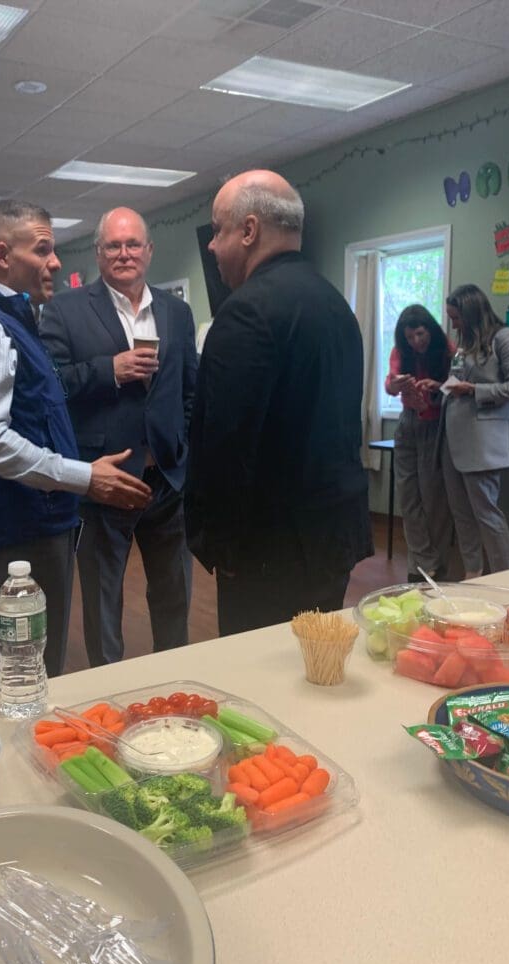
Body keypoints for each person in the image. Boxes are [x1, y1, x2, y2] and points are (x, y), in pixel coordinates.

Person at [0, 199, 151, 679]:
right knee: (28, 672)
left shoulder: (18, 321)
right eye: (43, 250)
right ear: (2, 255)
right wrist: (82, 476)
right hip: (19, 534)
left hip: (40, 526)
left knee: (40, 665)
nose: (55, 262)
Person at [184, 170, 373, 637]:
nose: (211, 246)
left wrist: (221, 550)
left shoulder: (245, 312)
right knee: (316, 666)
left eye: (218, 230)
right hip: (332, 540)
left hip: (268, 551)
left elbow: (225, 445)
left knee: (264, 684)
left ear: (249, 231)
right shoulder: (336, 305)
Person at [42, 207, 197, 666]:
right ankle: (107, 692)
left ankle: (174, 682)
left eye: (133, 245)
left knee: (175, 597)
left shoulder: (176, 312)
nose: (124, 254)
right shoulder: (64, 310)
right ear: (98, 253)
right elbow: (48, 385)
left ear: (149, 251)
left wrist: (183, 449)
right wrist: (106, 370)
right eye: (114, 245)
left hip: (167, 481)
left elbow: (190, 387)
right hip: (105, 484)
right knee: (103, 604)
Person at [441, 283, 509, 577]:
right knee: (461, 515)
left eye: (456, 318)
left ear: (471, 313)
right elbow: (456, 382)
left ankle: (504, 577)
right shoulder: (465, 344)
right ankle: (473, 575)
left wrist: (474, 390)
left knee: (486, 514)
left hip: (484, 444)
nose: (453, 324)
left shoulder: (506, 338)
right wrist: (438, 387)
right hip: (454, 441)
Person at [385, 304, 455, 584]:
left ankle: (433, 566)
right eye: (410, 337)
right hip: (408, 425)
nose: (416, 341)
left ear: (430, 329)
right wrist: (397, 384)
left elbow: (460, 385)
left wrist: (437, 386)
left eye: (420, 334)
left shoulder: (447, 350)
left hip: (436, 426)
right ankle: (424, 565)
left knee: (433, 498)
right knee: (408, 497)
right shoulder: (401, 352)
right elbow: (389, 384)